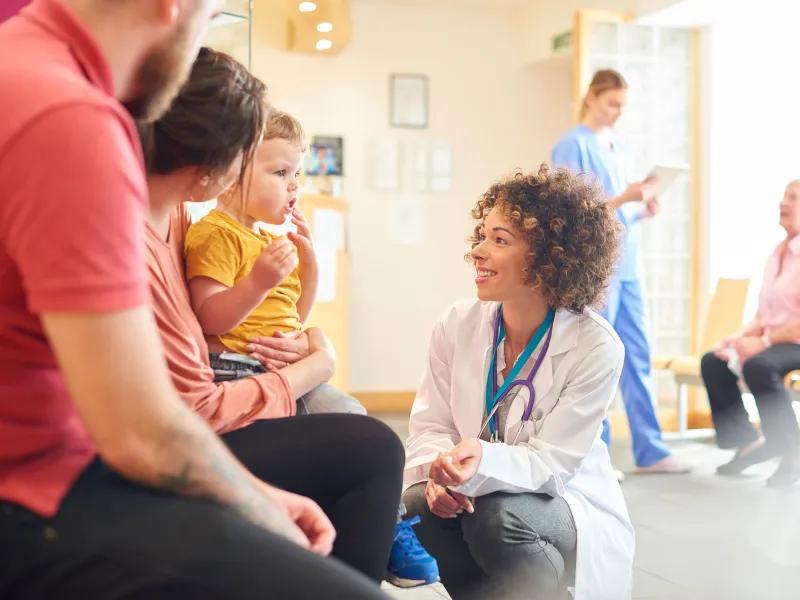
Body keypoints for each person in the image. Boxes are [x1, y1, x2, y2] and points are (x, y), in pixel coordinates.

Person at [0, 1, 397, 598]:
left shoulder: (31, 67)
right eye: (208, 19)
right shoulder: (70, 117)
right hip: (42, 494)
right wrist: (262, 508)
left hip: (77, 464)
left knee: (361, 445)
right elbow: (144, 430)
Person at [142, 48, 434, 587]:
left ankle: (356, 559)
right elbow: (211, 324)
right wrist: (312, 361)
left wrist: (310, 304)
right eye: (278, 171)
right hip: (230, 386)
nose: (292, 186)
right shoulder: (207, 232)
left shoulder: (191, 217)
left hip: (256, 379)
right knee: (368, 436)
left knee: (357, 424)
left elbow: (297, 315)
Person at [403, 166, 635, 600]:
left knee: (496, 518)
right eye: (482, 235)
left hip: (566, 499)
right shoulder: (456, 324)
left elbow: (552, 463)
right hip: (479, 492)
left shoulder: (596, 346)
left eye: (500, 240)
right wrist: (441, 470)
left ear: (550, 259)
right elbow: (430, 426)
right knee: (422, 506)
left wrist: (479, 460)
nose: (477, 251)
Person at [551, 68, 690, 476]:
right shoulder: (571, 145)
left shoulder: (619, 147)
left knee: (636, 354)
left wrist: (639, 208)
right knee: (596, 357)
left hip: (628, 266)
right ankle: (595, 456)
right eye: (612, 103)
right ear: (591, 97)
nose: (617, 113)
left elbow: (617, 215)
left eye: (623, 106)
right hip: (599, 270)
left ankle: (650, 448)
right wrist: (624, 196)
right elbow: (571, 212)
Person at [700, 180, 800, 487]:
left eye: (793, 198)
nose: (784, 202)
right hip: (774, 339)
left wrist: (762, 343)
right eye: (784, 196)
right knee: (714, 361)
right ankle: (748, 442)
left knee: (760, 364)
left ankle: (791, 452)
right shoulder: (776, 253)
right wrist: (738, 337)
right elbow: (763, 313)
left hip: (793, 341)